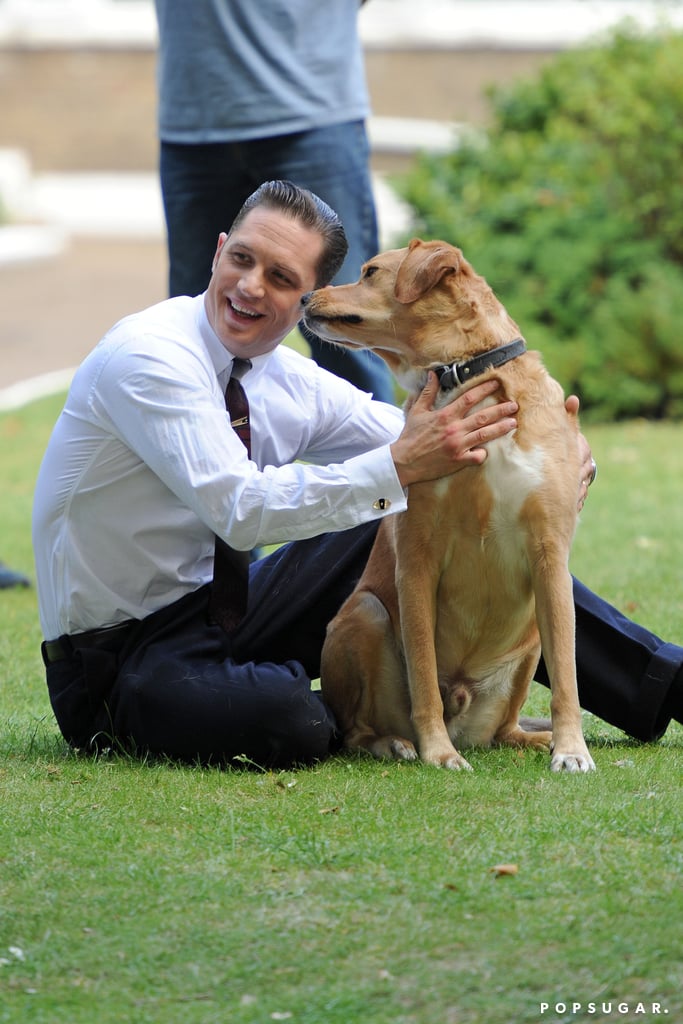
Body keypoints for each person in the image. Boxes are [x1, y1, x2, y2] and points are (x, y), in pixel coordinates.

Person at [32, 181, 682, 769]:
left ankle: (664, 685)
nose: (252, 286)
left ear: (307, 301)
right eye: (243, 259)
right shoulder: (149, 358)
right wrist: (403, 464)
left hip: (231, 612)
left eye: (281, 277)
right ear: (219, 251)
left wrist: (546, 451)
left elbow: (436, 443)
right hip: (120, 656)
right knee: (295, 722)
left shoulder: (282, 376)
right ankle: (312, 696)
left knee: (426, 503)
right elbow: (239, 510)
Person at [153, 0, 396, 403]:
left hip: (311, 109)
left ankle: (392, 463)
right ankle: (198, 463)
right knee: (194, 335)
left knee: (348, 328)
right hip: (193, 114)